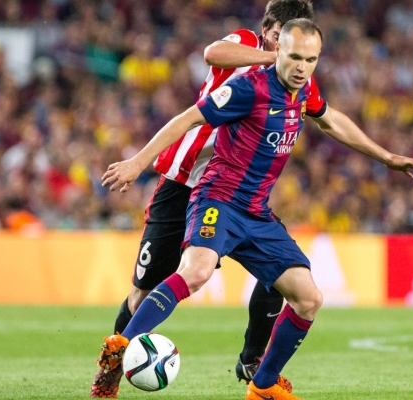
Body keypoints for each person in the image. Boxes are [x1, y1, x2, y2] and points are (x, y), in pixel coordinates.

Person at [99, 19, 413, 400]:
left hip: (256, 212)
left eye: (310, 60)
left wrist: (386, 156)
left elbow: (333, 122)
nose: (301, 67)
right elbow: (190, 117)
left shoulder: (304, 90)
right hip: (218, 200)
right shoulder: (249, 88)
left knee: (309, 298)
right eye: (294, 57)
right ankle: (120, 346)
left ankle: (263, 385)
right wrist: (138, 162)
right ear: (278, 51)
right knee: (196, 272)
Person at [90, 1, 317, 398]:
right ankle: (112, 366)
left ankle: (252, 361)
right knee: (143, 291)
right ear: (267, 30)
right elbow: (214, 52)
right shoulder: (246, 44)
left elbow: (322, 117)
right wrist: (275, 56)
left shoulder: (290, 82)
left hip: (231, 194)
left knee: (282, 275)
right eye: (280, 38)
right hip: (182, 185)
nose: (288, 48)